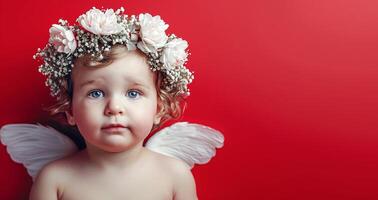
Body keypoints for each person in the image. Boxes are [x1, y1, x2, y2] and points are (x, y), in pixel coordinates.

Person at [0, 7, 224, 200]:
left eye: (134, 93)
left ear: (158, 109)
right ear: (70, 110)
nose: (114, 107)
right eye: (96, 93)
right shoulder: (55, 179)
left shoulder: (175, 175)